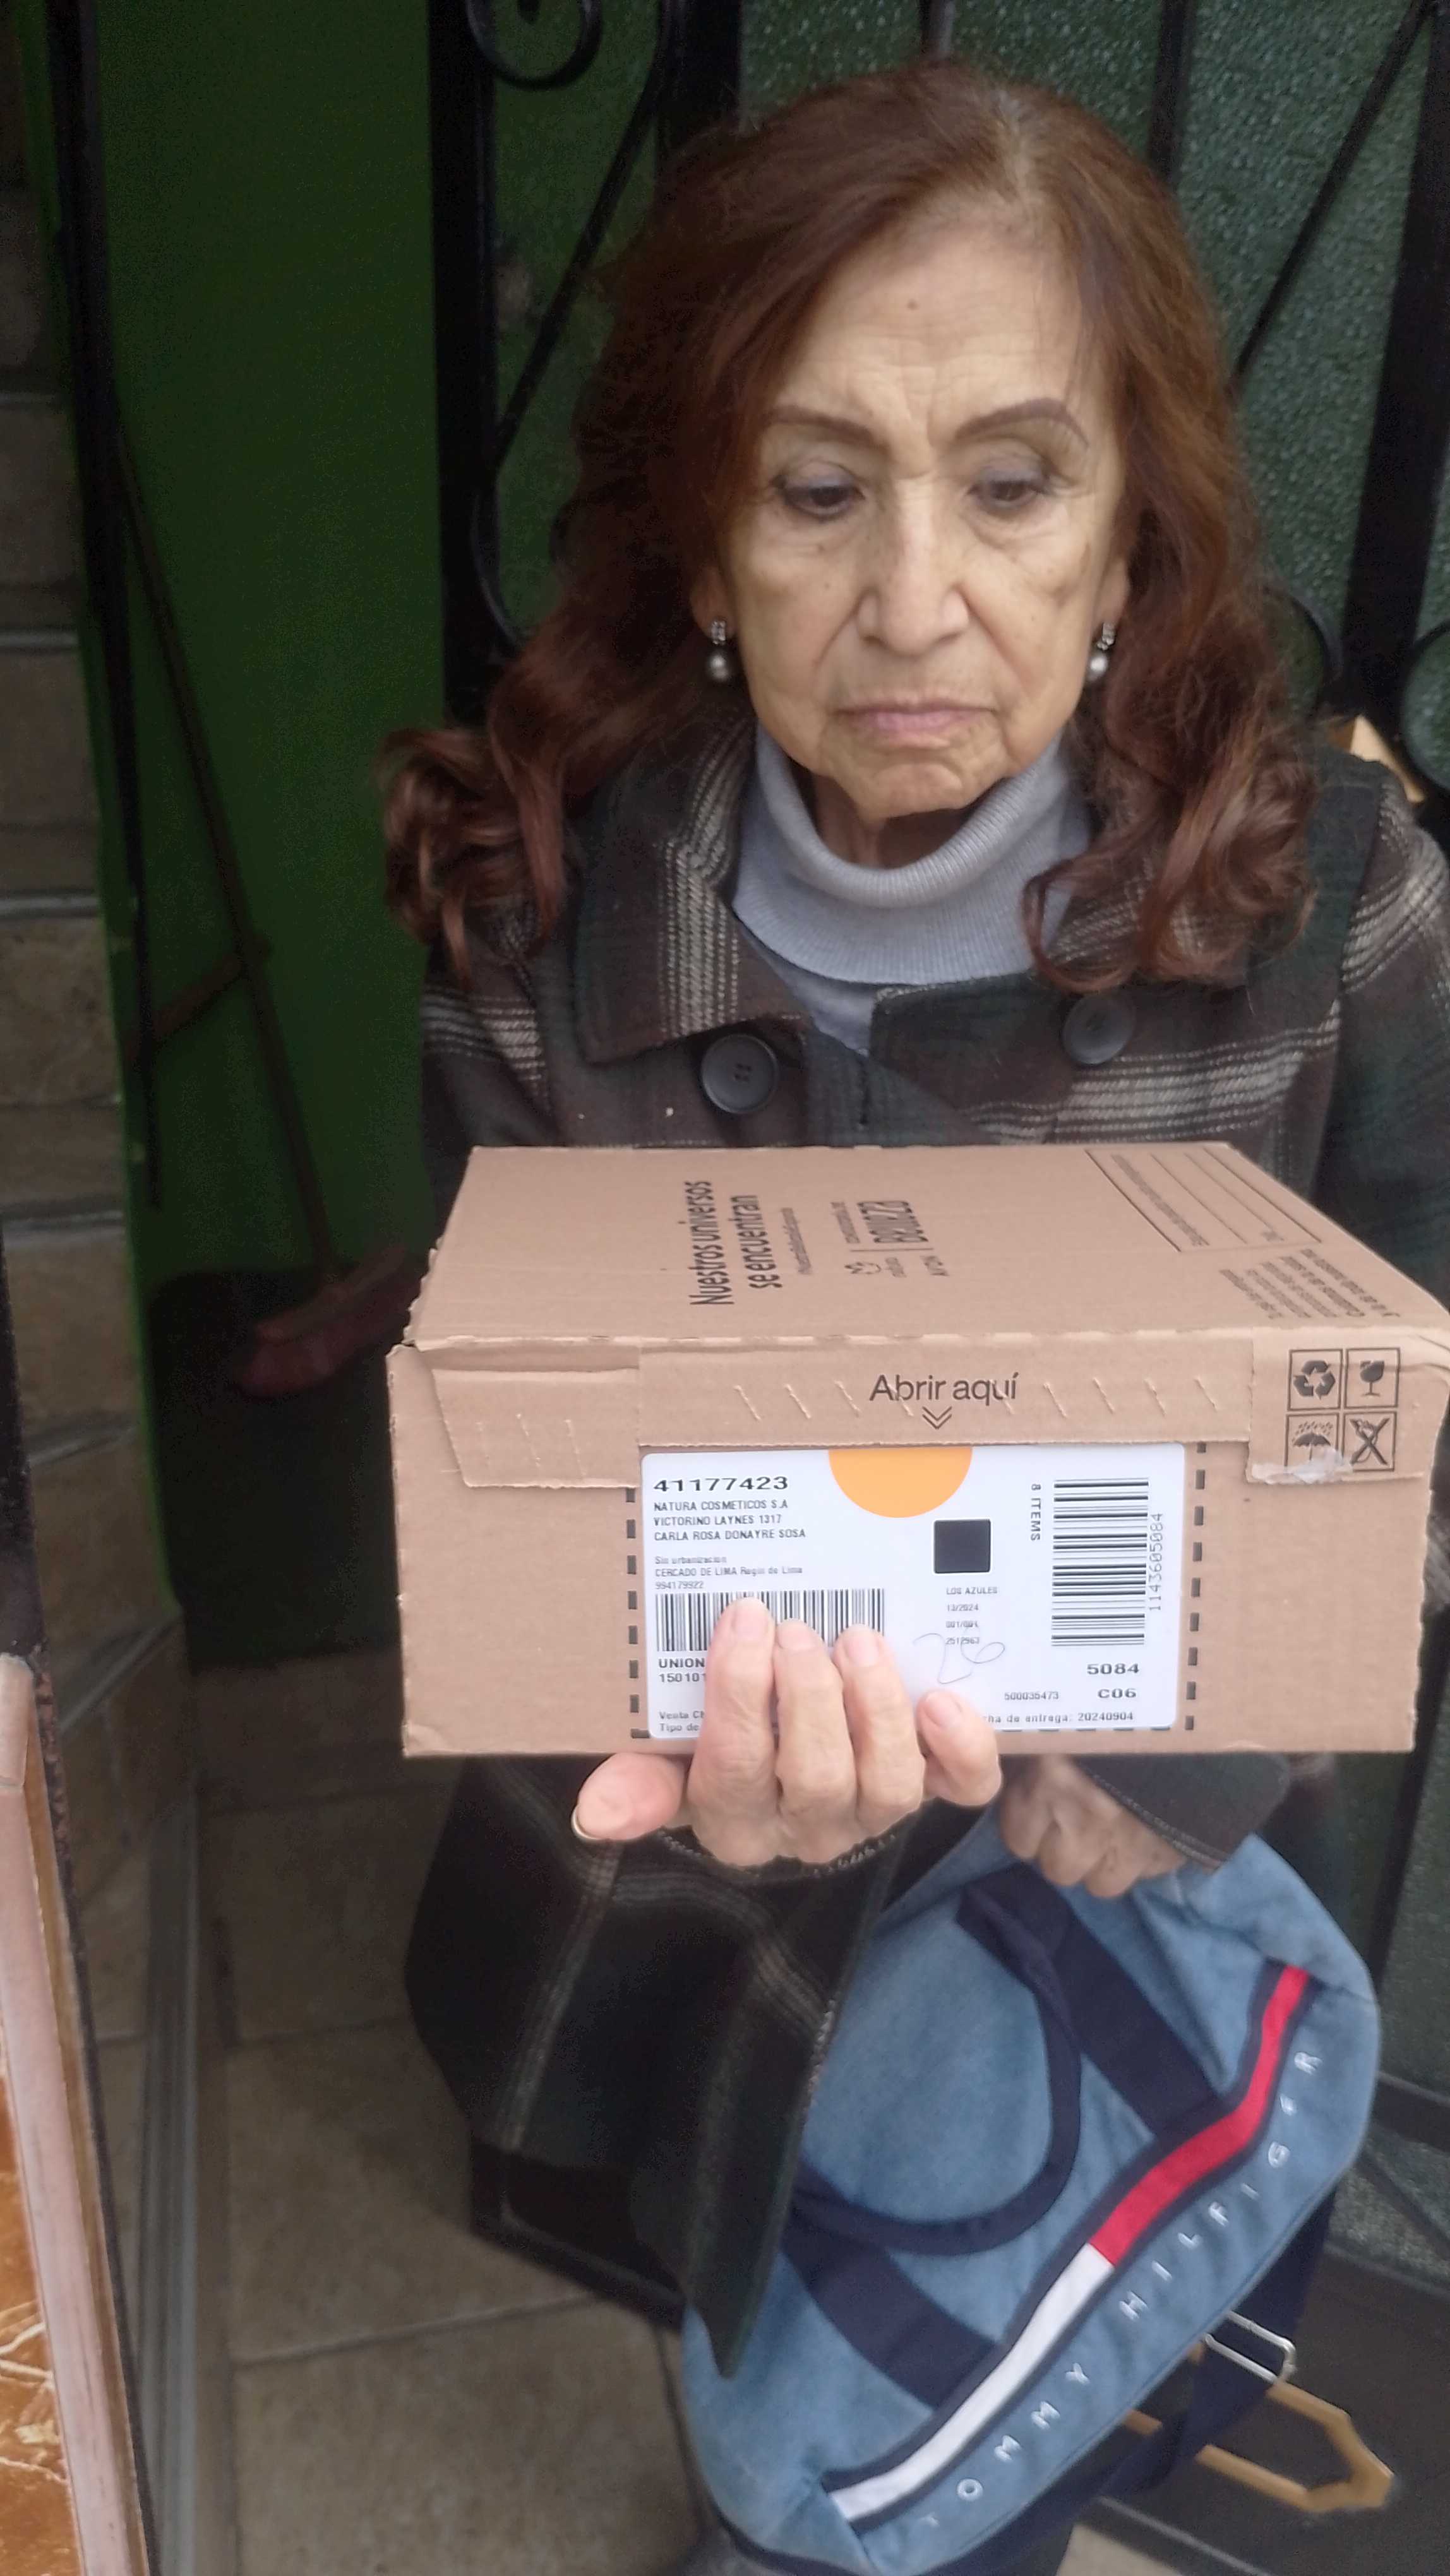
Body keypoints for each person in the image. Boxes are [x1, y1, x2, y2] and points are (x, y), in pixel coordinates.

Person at [384, 57, 1450, 2576]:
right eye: (817, 486)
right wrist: (680, 1747)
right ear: (705, 539)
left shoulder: (1331, 917)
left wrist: (1213, 1737)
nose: (912, 605)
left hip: (1118, 1865)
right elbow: (509, 1463)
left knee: (989, 2386)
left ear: (1131, 540)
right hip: (715, 1888)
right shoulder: (543, 924)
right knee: (772, 2306)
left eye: (1012, 483)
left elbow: (1425, 1373)